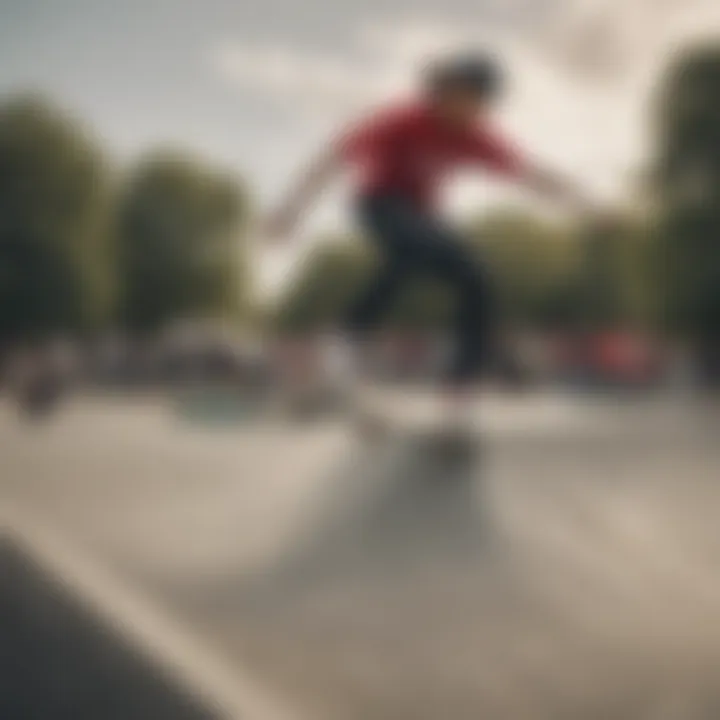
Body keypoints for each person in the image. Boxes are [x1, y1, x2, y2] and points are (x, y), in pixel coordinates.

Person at [263, 53, 608, 436]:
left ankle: (457, 398)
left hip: (423, 217)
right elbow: (330, 159)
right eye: (450, 96)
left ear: (482, 101)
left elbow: (532, 174)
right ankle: (345, 343)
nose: (457, 108)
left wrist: (587, 205)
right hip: (379, 204)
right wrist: (288, 212)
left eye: (469, 101)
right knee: (415, 246)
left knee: (476, 280)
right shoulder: (400, 120)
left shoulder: (477, 137)